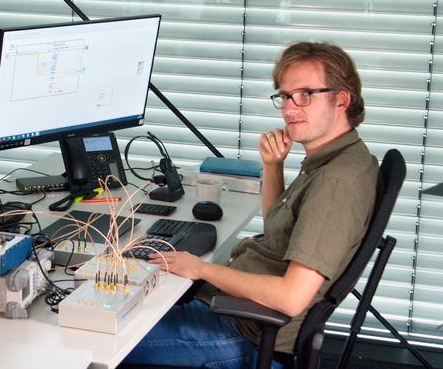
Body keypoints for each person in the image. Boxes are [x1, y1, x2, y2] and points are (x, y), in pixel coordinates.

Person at [121, 41, 380, 369]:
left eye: (305, 95)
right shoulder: (337, 158)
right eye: (285, 96)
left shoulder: (336, 182)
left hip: (242, 332)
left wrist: (200, 268)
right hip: (238, 311)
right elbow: (277, 229)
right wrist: (273, 165)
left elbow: (291, 298)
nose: (289, 109)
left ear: (341, 100)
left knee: (96, 335)